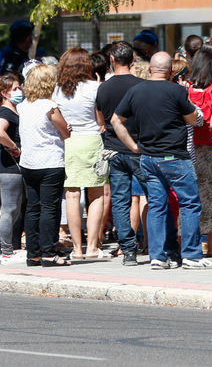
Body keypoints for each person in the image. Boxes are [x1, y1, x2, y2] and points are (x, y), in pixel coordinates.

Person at [111, 52, 212, 270]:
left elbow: (115, 120)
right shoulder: (176, 91)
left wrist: (133, 146)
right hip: (175, 157)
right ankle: (191, 255)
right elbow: (194, 120)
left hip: (148, 158)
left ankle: (157, 257)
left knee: (157, 206)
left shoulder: (135, 91)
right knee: (189, 204)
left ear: (150, 69)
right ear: (170, 71)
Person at [54, 46, 109, 260]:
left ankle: (76, 248)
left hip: (68, 141)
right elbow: (101, 119)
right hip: (92, 140)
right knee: (96, 194)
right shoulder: (95, 87)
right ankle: (93, 247)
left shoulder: (57, 89)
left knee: (71, 195)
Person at [16, 64, 72, 266]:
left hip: (29, 162)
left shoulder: (23, 106)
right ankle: (49, 252)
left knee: (33, 207)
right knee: (50, 208)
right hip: (50, 160)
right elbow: (65, 132)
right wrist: (67, 129)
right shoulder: (50, 106)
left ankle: (33, 253)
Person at [97, 42, 147, 264]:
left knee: (120, 200)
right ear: (133, 60)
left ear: (112, 60)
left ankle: (128, 249)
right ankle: (156, 244)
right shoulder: (142, 86)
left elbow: (101, 121)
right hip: (139, 147)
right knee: (153, 195)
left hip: (114, 149)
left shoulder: (103, 88)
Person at [187, 48, 212, 259]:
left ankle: (191, 242)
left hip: (189, 148)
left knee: (189, 196)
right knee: (211, 195)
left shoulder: (186, 90)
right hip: (210, 149)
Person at [0, 73, 24, 264]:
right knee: (9, 211)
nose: (20, 91)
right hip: (8, 166)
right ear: (4, 92)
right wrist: (14, 147)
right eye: (15, 89)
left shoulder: (12, 110)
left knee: (12, 211)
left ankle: (1, 251)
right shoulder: (5, 112)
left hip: (7, 166)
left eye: (20, 87)